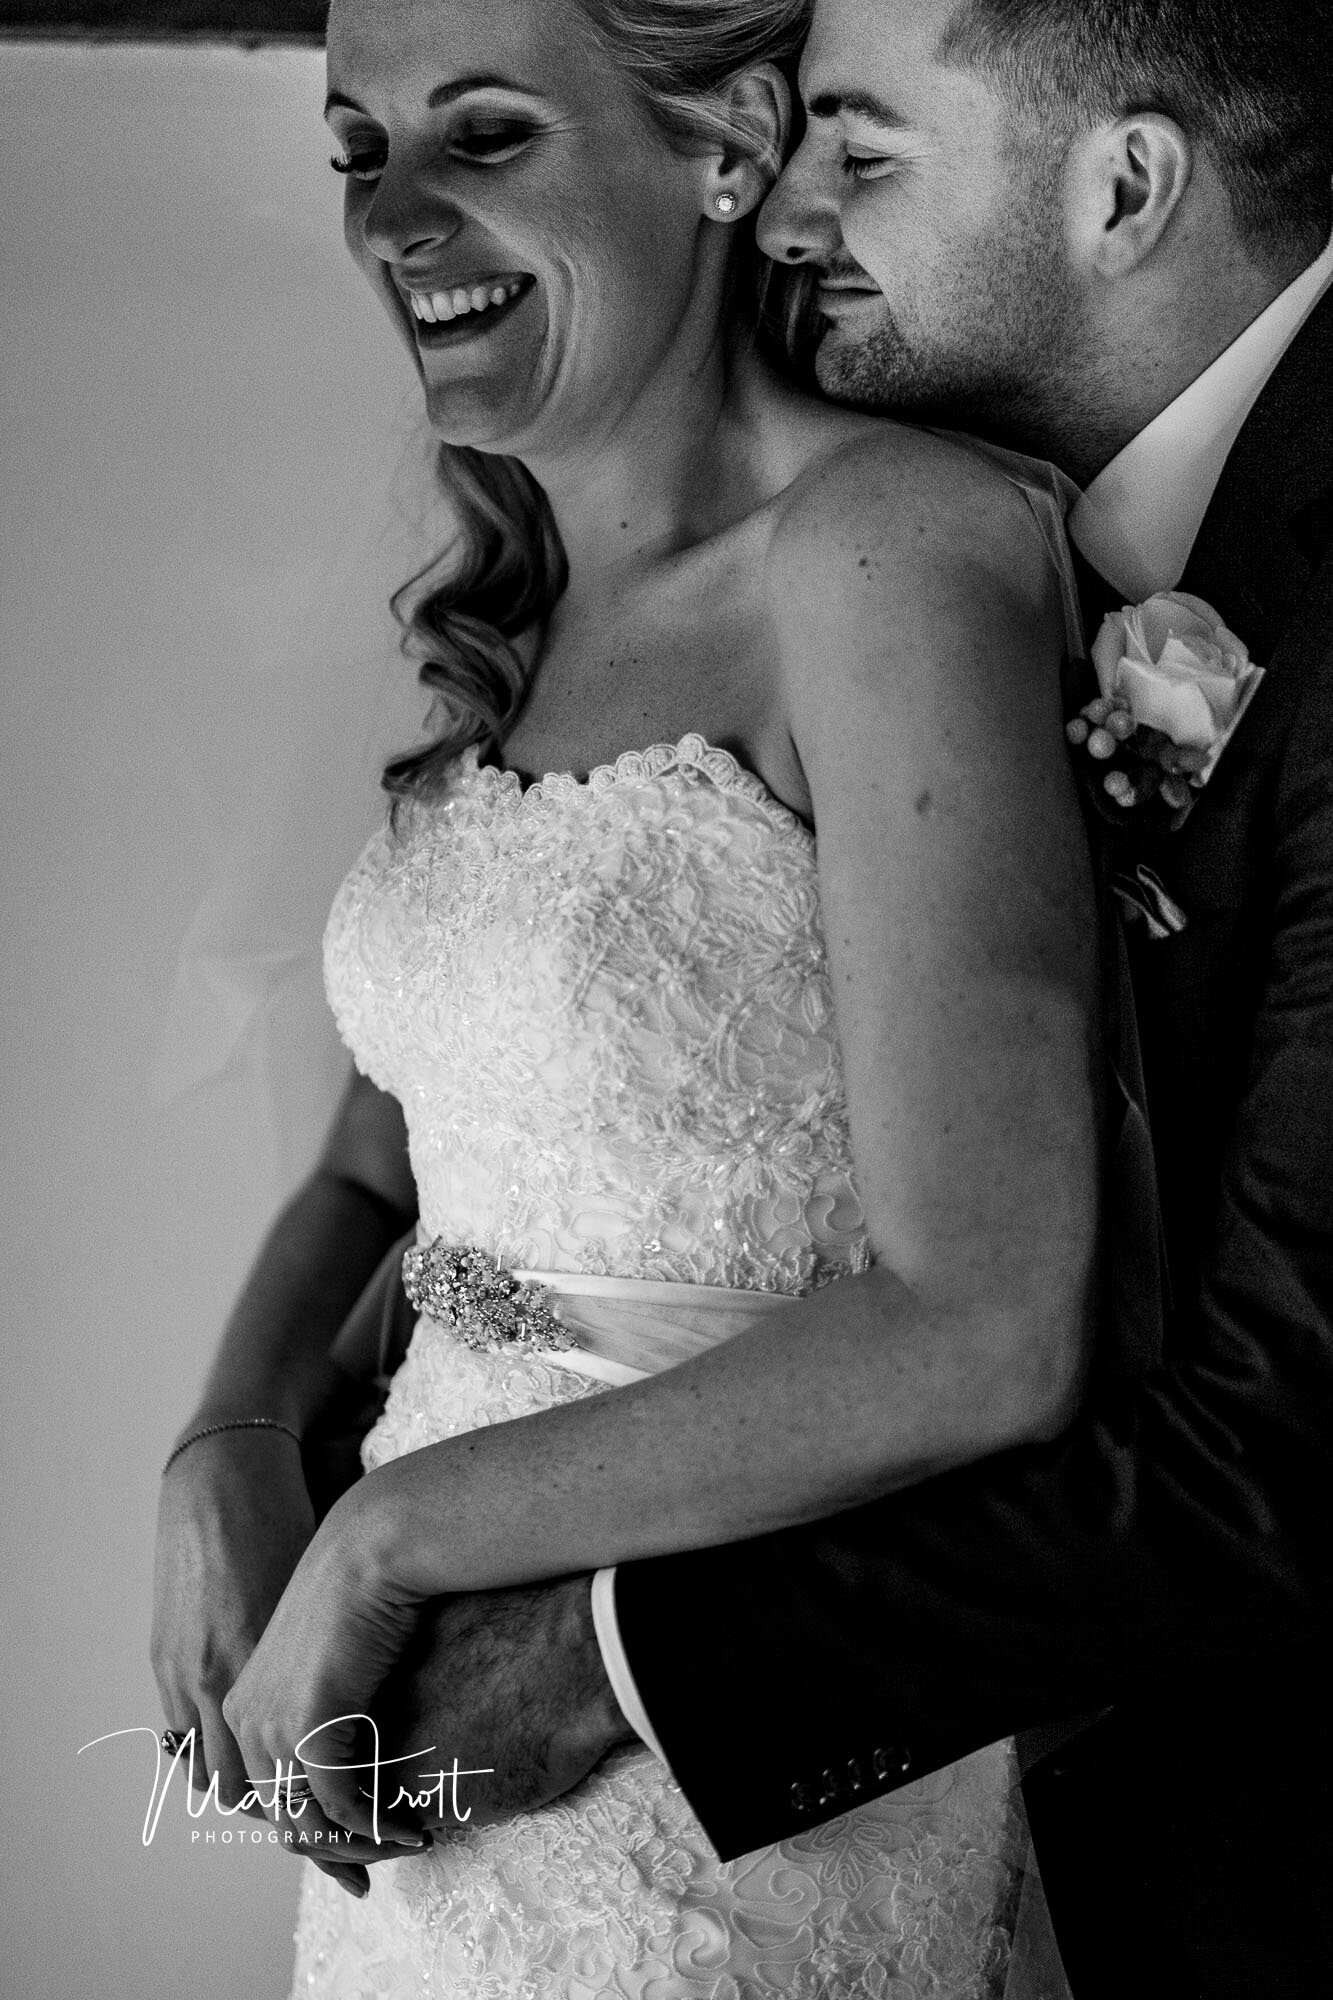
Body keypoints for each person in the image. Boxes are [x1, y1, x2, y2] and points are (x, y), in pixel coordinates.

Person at [341, 3, 1333, 1996]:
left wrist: (618, 1654)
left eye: (863, 150)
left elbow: (1287, 1436)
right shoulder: (1075, 534)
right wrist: (267, 1427)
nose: (786, 208)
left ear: (1122, 189)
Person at [152, 0, 1108, 1991]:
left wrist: (393, 1541)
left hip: (707, 1748)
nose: (395, 219)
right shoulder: (518, 588)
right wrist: (233, 1439)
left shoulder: (885, 551)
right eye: (355, 153)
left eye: (482, 137)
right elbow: (388, 1153)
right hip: (414, 1770)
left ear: (727, 146)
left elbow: (988, 1320)